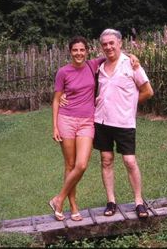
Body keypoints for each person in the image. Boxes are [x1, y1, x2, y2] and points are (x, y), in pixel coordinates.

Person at [49, 36, 140, 221]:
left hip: (87, 121)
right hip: (66, 120)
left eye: (82, 50)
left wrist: (132, 55)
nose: (79, 53)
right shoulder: (63, 72)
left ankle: (58, 199)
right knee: (70, 165)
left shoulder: (93, 65)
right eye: (75, 50)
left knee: (81, 165)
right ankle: (73, 207)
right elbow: (57, 100)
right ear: (70, 52)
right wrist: (55, 127)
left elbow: (114, 54)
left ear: (87, 51)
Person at [93, 28, 154, 219]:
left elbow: (148, 91)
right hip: (101, 121)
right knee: (106, 160)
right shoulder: (100, 67)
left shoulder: (132, 64)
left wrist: (129, 106)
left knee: (129, 161)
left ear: (120, 43)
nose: (108, 47)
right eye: (105, 44)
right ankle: (111, 201)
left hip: (125, 123)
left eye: (112, 43)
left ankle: (138, 201)